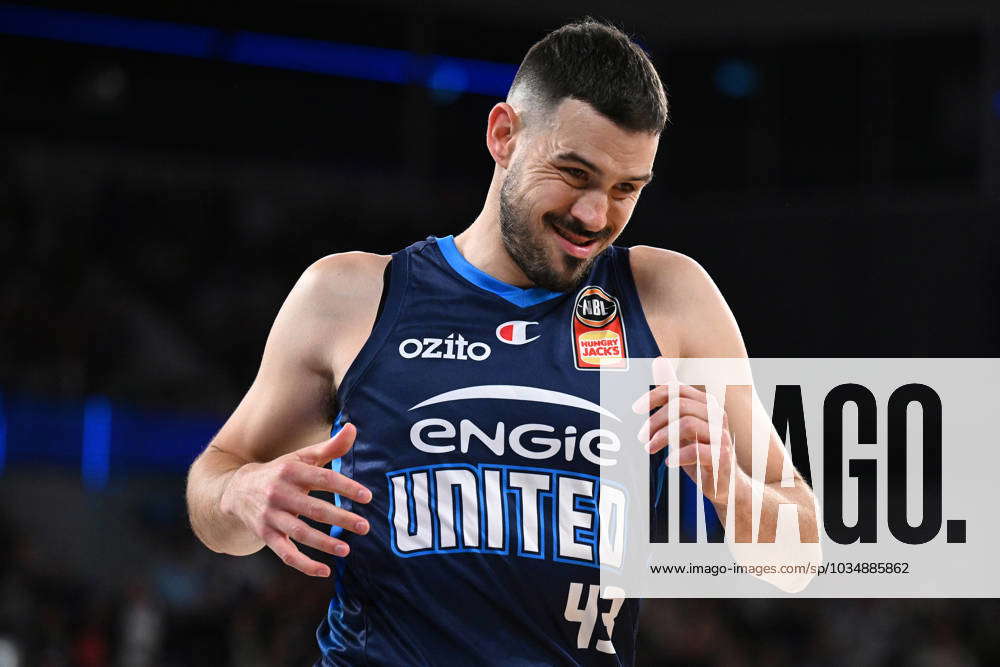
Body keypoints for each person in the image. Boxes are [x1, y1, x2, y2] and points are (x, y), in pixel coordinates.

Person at [186, 19, 818, 666]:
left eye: (627, 189)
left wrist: (729, 489)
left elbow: (801, 555)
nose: (594, 215)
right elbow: (212, 485)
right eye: (574, 172)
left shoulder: (670, 298)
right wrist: (241, 494)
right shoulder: (349, 296)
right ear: (503, 135)